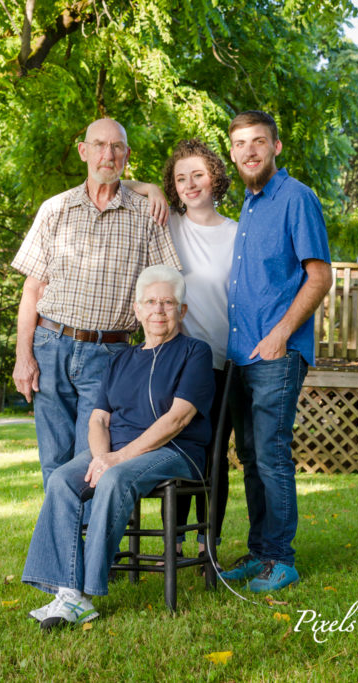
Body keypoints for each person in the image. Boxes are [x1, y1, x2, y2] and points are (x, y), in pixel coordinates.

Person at [22, 266, 215, 630]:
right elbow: (98, 419)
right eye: (151, 302)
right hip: (116, 453)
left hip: (176, 451)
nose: (159, 310)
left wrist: (117, 459)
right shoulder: (121, 358)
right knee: (63, 479)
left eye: (168, 302)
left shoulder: (195, 353)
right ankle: (65, 590)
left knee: (113, 479)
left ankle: (83, 596)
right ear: (137, 311)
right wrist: (99, 457)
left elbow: (178, 419)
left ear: (182, 311)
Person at [10, 118, 180, 486]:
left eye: (117, 146)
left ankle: (89, 544)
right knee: (53, 461)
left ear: (127, 155)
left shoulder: (146, 214)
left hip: (110, 355)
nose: (108, 153)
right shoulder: (55, 210)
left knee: (92, 462)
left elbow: (166, 291)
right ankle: (63, 544)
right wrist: (24, 356)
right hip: (50, 346)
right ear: (83, 151)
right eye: (99, 145)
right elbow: (31, 291)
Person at [218, 111, 333, 593]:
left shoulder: (296, 198)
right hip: (241, 353)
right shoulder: (248, 205)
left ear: (275, 147)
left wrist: (283, 333)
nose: (249, 151)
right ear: (232, 152)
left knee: (271, 453)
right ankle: (261, 551)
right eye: (240, 143)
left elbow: (319, 275)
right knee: (250, 453)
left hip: (275, 351)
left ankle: (281, 559)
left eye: (258, 142)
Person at [129, 140, 236, 565]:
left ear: (215, 178)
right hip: (173, 359)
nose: (190, 184)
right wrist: (152, 187)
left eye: (198, 175)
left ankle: (207, 544)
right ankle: (173, 540)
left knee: (214, 454)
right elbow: (119, 183)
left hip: (221, 359)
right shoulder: (167, 222)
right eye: (179, 178)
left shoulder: (236, 233)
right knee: (174, 446)